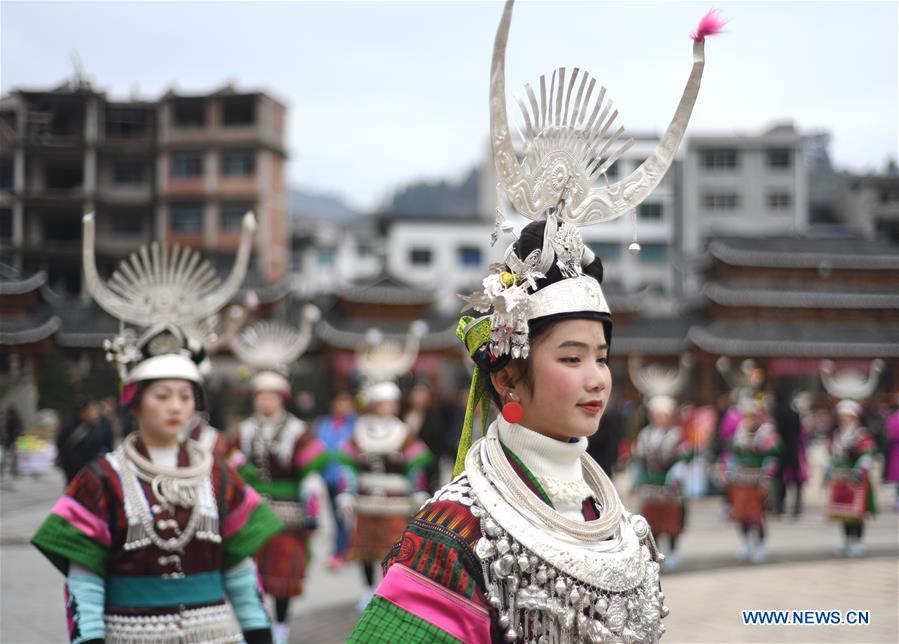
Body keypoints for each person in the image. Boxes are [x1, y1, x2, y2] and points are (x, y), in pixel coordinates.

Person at [32, 324, 281, 643]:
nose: (176, 406)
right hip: (130, 634)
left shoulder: (218, 474)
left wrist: (259, 633)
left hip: (213, 634)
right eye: (162, 396)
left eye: (185, 396)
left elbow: (240, 570)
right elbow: (85, 577)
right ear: (134, 402)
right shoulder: (101, 478)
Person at [340, 380, 432, 612]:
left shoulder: (402, 431)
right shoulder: (359, 430)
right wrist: (345, 492)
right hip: (365, 498)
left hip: (396, 500)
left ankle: (389, 590)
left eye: (391, 403)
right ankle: (367, 589)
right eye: (383, 403)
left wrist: (419, 490)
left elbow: (416, 466)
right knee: (365, 549)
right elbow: (348, 466)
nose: (388, 407)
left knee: (394, 546)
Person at [631, 395, 690, 571]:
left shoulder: (677, 434)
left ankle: (672, 552)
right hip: (650, 485)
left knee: (671, 520)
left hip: (670, 485)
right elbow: (639, 457)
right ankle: (654, 552)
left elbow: (685, 455)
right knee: (652, 521)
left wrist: (678, 470)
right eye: (656, 414)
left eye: (663, 414)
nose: (659, 418)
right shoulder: (645, 434)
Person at [724, 397, 780, 564]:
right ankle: (746, 543)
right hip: (741, 479)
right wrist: (729, 470)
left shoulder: (766, 432)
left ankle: (760, 544)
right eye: (745, 415)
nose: (748, 418)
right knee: (741, 515)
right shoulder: (739, 432)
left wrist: (767, 474)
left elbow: (774, 453)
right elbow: (733, 453)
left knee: (758, 516)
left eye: (751, 415)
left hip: (759, 479)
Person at [825, 399, 878, 557]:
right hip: (841, 478)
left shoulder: (861, 435)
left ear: (855, 417)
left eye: (848, 416)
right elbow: (832, 454)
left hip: (856, 479)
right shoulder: (837, 435)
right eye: (842, 416)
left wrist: (861, 469)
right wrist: (830, 467)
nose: (844, 419)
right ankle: (847, 541)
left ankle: (857, 542)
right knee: (843, 514)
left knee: (856, 514)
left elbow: (868, 453)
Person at [314, 390, 358, 569]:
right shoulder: (323, 424)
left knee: (344, 515)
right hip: (328, 476)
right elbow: (317, 447)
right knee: (335, 516)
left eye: (346, 403)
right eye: (339, 403)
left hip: (347, 478)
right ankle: (343, 549)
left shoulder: (357, 425)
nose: (342, 407)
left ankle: (341, 551)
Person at [55, 398, 114, 484]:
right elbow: (60, 443)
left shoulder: (97, 426)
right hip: (72, 469)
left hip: (90, 470)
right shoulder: (69, 427)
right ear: (82, 412)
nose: (96, 413)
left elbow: (106, 443)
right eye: (92, 410)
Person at [403, 382, 447, 493]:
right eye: (416, 395)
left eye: (423, 395)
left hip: (427, 464)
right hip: (403, 460)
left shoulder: (435, 418)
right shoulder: (402, 415)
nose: (419, 399)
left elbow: (438, 444)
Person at [772, 384, 807, 518]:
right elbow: (799, 432)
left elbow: (776, 433)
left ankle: (780, 505)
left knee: (780, 479)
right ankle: (797, 504)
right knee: (796, 478)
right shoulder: (795, 413)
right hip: (793, 449)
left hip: (780, 450)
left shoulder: (778, 413)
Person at [1, 406, 24, 479]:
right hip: (8, 440)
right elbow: (6, 432)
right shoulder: (7, 421)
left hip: (16, 440)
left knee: (15, 457)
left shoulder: (18, 421)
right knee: (5, 457)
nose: (10, 416)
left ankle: (14, 472)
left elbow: (20, 431)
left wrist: (17, 441)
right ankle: (2, 472)